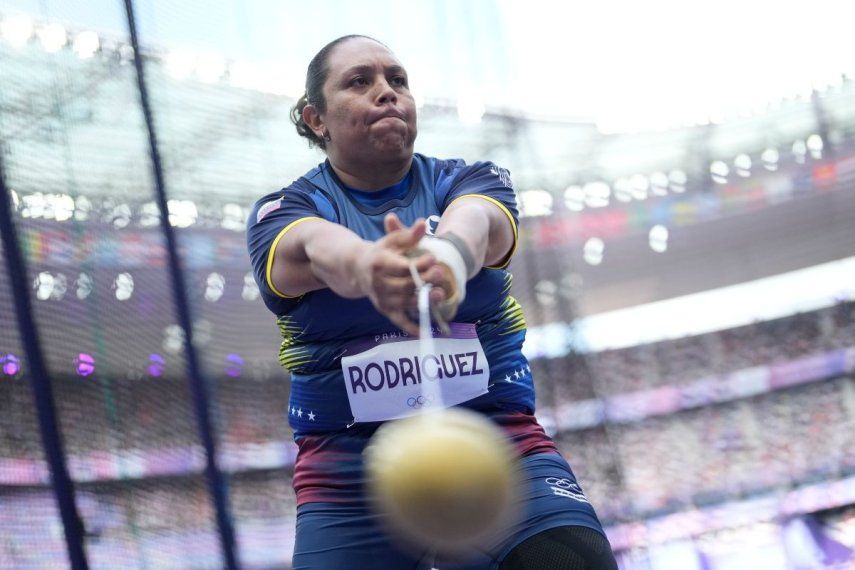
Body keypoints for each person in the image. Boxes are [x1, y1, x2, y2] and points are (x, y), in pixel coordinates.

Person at [246, 34, 618, 569]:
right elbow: (314, 247)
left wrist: (446, 257)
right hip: (350, 470)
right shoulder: (284, 210)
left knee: (571, 561)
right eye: (360, 81)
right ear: (316, 118)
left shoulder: (470, 179)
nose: (387, 92)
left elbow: (479, 224)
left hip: (494, 440)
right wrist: (368, 267)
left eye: (398, 80)